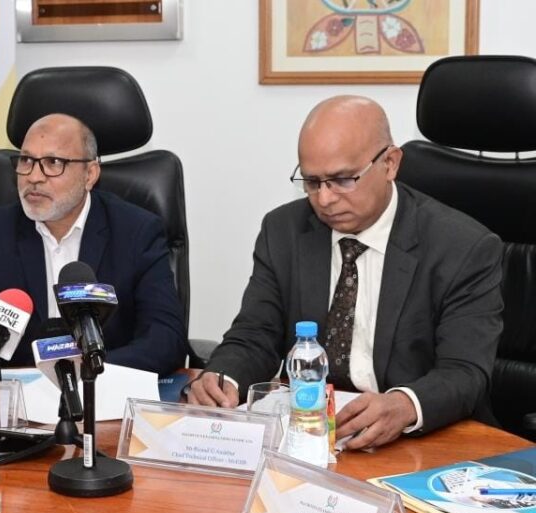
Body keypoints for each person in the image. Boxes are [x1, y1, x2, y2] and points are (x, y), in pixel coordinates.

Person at [187, 96, 502, 450]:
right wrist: (223, 377)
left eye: (342, 180)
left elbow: (464, 372)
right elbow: (255, 334)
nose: (324, 200)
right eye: (312, 182)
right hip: (311, 434)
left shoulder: (462, 247)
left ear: (390, 164)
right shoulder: (283, 231)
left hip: (421, 443)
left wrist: (404, 405)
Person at [0, 113, 188, 375]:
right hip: (20, 394)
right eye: (26, 160)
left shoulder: (136, 232)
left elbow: (165, 339)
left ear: (90, 174)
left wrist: (86, 371)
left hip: (105, 387)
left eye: (53, 162)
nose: (34, 176)